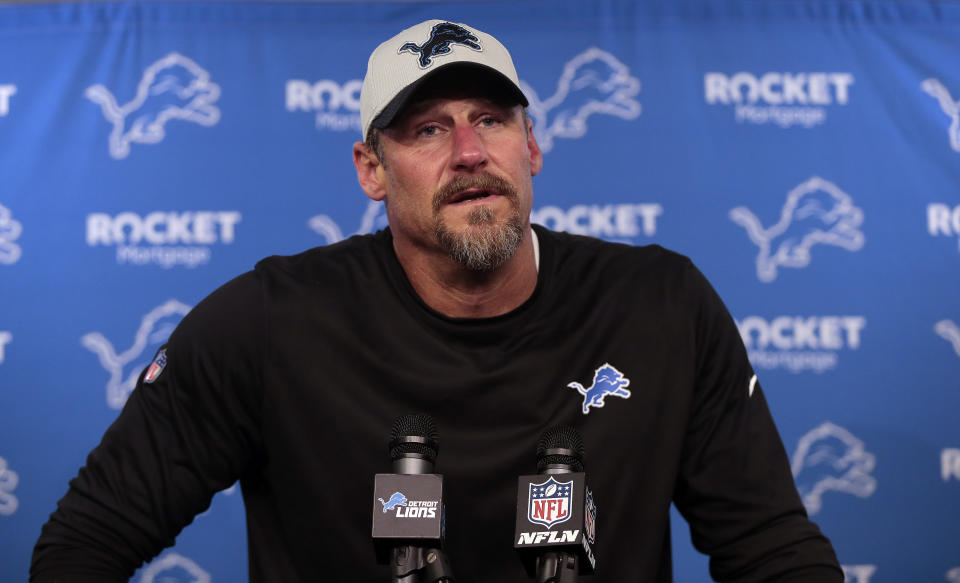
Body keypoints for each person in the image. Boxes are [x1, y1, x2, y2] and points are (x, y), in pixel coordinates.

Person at [31, 19, 842, 582]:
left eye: (491, 119)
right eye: (425, 129)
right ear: (371, 170)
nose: (467, 152)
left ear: (531, 146)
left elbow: (772, 551)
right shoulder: (270, 324)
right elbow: (86, 542)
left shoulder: (662, 305)